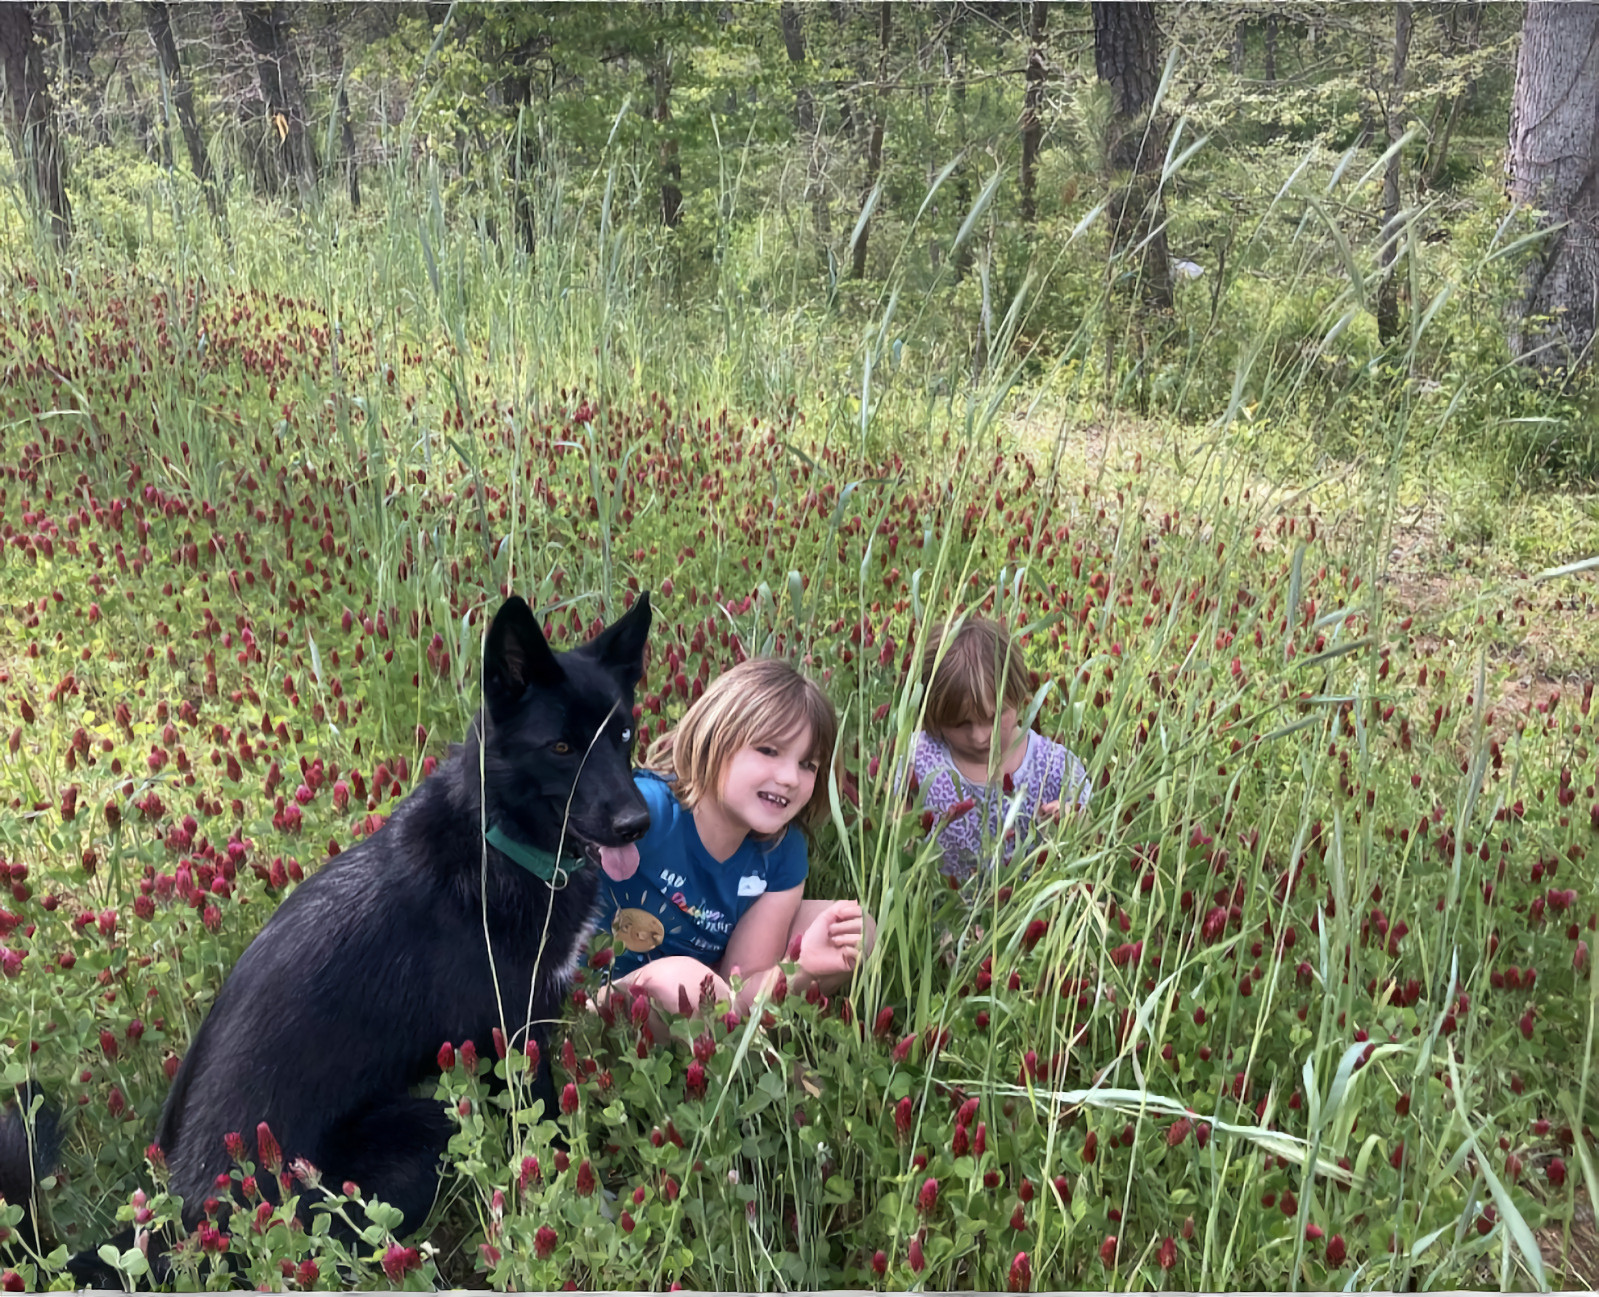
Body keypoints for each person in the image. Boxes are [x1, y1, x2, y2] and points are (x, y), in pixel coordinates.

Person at [593, 657, 871, 1028]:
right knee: (688, 986)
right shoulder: (647, 811)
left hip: (709, 982)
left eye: (808, 764)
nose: (790, 777)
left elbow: (745, 986)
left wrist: (803, 967)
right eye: (768, 751)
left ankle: (726, 1031)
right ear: (714, 739)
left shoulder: (781, 853)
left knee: (855, 930)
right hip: (600, 990)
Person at [906, 616, 1091, 883]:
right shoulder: (922, 757)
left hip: (1026, 911)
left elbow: (1090, 824)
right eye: (960, 724)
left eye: (994, 718)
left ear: (1017, 696)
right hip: (943, 913)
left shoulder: (1051, 765)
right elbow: (897, 832)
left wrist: (1074, 817)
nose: (980, 736)